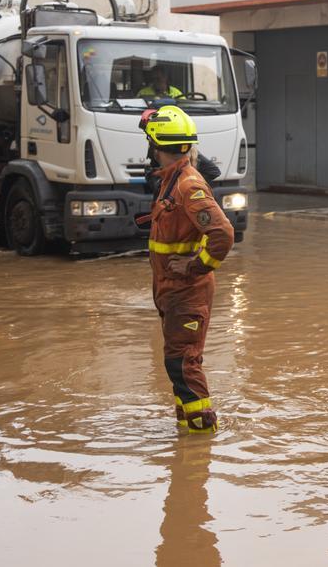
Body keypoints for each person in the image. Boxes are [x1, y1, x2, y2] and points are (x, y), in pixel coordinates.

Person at [142, 105, 234, 434]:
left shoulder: (187, 187)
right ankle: (187, 436)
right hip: (171, 290)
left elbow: (223, 234)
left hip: (186, 290)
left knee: (182, 363)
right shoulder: (173, 180)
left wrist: (195, 266)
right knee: (178, 363)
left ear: (156, 147)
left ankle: (201, 440)